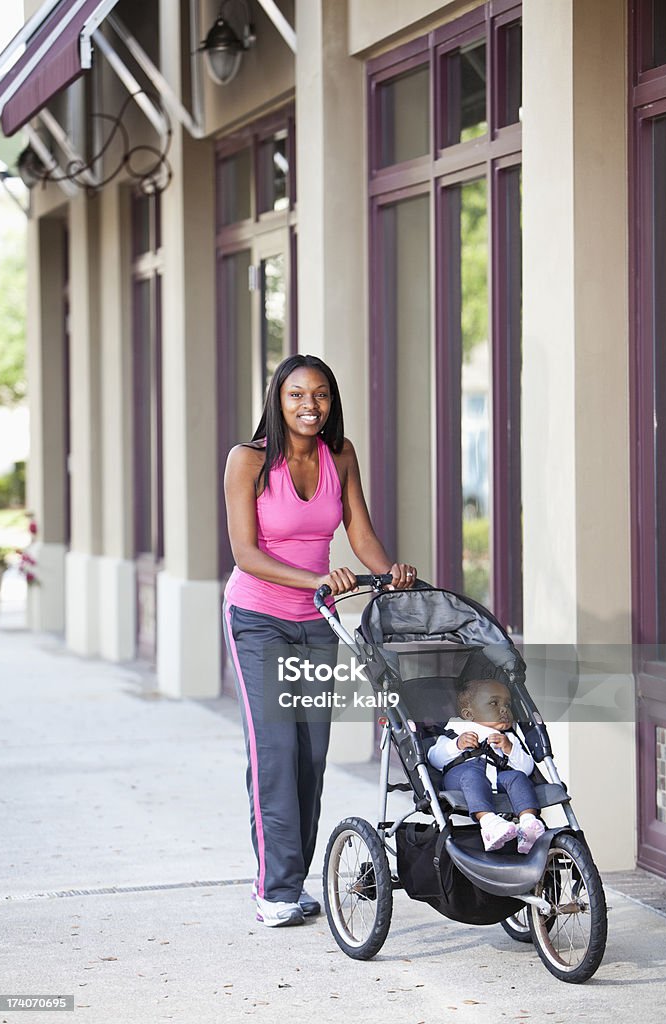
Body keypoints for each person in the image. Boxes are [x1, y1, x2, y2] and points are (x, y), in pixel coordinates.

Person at [223, 353, 417, 927]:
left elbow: (359, 529)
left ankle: (293, 880)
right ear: (277, 401)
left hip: (317, 620)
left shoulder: (341, 455)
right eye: (296, 395)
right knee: (275, 753)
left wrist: (392, 575)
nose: (310, 405)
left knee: (311, 755)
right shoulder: (248, 460)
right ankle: (274, 890)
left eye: (321, 395)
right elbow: (246, 554)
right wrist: (317, 579)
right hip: (258, 619)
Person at [427, 677, 545, 854]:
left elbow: (526, 768)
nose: (504, 709)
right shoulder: (457, 729)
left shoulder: (509, 737)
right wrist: (457, 745)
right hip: (460, 778)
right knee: (472, 775)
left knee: (517, 777)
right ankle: (489, 824)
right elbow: (434, 757)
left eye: (508, 704)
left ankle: (528, 824)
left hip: (496, 779)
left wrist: (509, 749)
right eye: (494, 703)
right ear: (468, 714)